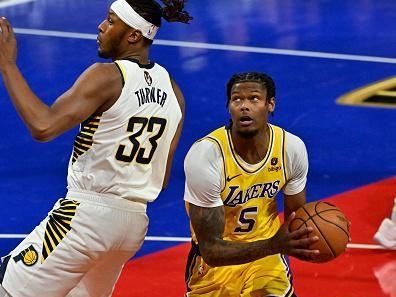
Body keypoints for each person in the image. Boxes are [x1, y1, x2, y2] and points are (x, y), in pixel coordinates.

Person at [0, 0, 192, 296]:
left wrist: (7, 64)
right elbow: (162, 176)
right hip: (133, 225)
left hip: (86, 218)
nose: (101, 26)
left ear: (133, 36)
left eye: (111, 21)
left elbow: (43, 126)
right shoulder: (174, 91)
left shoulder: (106, 76)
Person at [183, 72, 320, 297]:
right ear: (229, 107)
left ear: (270, 104)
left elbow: (297, 219)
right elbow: (212, 251)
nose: (244, 106)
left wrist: (321, 233)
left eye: (254, 99)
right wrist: (275, 245)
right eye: (237, 100)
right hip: (215, 264)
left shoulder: (291, 148)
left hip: (266, 259)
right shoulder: (206, 155)